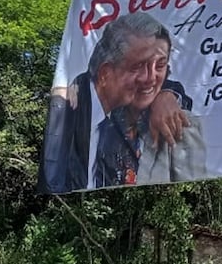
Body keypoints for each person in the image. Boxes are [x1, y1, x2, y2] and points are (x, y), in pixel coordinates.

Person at [37, 12, 197, 193]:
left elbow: (165, 85)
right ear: (105, 73)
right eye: (138, 66)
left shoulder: (113, 114)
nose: (150, 78)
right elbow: (53, 183)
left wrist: (168, 94)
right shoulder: (70, 108)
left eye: (160, 65)